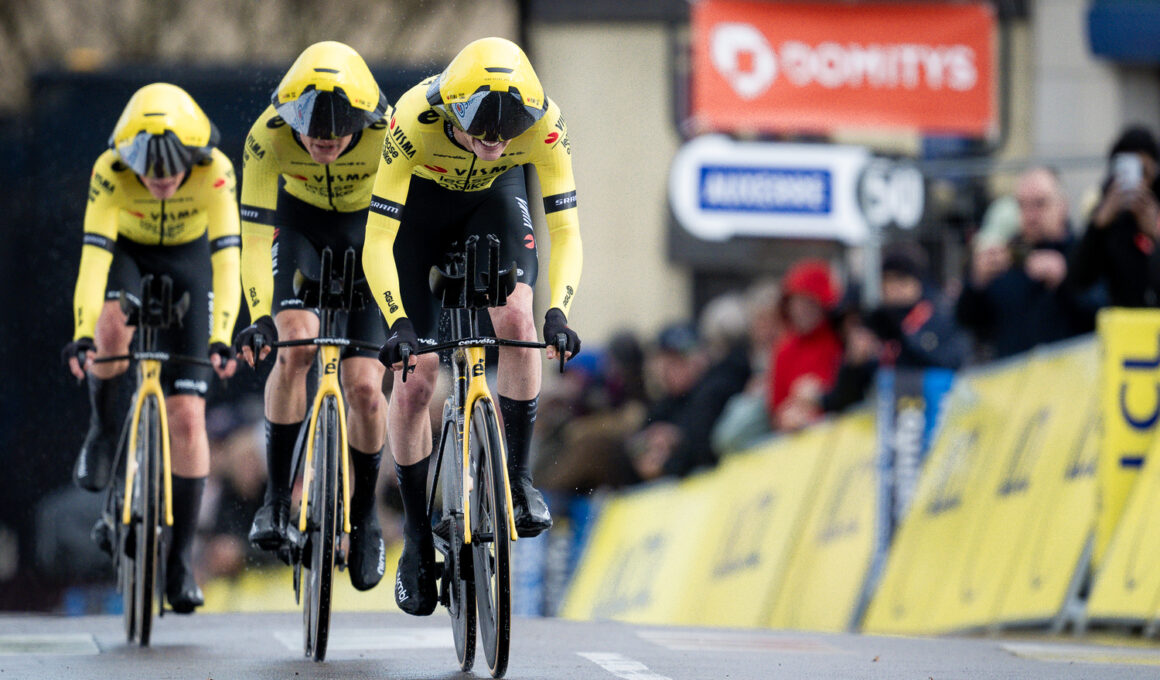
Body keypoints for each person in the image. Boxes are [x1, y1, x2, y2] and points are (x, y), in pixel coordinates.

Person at [361, 37, 582, 616]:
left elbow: (567, 232)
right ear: (451, 113)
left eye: (506, 135)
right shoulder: (411, 117)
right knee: (416, 376)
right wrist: (399, 321)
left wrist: (557, 309)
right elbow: (378, 240)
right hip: (420, 217)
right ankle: (414, 538)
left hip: (493, 202)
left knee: (516, 317)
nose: (494, 143)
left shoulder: (543, 121)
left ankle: (518, 476)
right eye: (480, 133)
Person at [60, 83, 240, 613]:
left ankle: (179, 560)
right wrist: (83, 331)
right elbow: (94, 261)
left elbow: (227, 262)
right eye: (149, 177)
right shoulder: (109, 170)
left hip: (189, 264)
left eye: (171, 175)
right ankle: (102, 428)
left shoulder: (215, 169)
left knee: (188, 419)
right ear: (129, 164)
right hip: (128, 256)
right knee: (113, 325)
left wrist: (223, 334)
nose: (160, 184)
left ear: (194, 161)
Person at [232, 41, 392, 592]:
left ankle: (365, 517)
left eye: (338, 139)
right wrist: (259, 315)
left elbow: (410, 226)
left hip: (369, 235)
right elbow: (251, 241)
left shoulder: (387, 131)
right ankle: (276, 500)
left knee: (367, 387)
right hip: (297, 230)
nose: (324, 147)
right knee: (296, 344)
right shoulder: (267, 133)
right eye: (312, 139)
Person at [956, 166, 1099, 359]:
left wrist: (1065, 281)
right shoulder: (1006, 259)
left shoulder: (1086, 253)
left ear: (1062, 205)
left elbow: (1103, 316)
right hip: (1014, 381)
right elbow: (969, 324)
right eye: (1022, 205)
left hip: (1073, 380)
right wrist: (976, 284)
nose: (1030, 216)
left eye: (1040, 204)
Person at [1070, 126, 1160, 308]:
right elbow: (1079, 279)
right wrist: (1098, 226)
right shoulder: (1107, 217)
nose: (1138, 182)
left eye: (1143, 171)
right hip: (1120, 324)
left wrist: (1155, 233)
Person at [766, 259, 843, 432]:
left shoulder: (839, 342)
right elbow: (776, 406)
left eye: (808, 302)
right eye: (795, 303)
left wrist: (819, 400)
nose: (801, 310)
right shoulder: (784, 349)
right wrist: (786, 417)